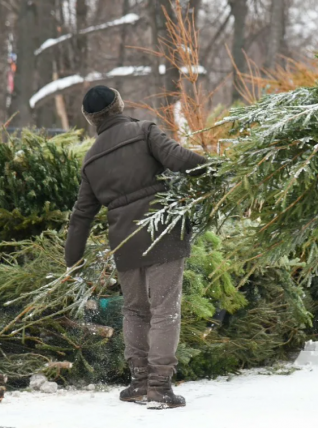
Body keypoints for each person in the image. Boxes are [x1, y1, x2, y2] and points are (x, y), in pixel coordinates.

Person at [64, 85, 206, 408]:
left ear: (90, 119)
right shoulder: (144, 132)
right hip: (162, 232)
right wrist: (213, 169)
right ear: (119, 105)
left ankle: (139, 381)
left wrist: (71, 260)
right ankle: (160, 387)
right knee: (164, 309)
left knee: (135, 310)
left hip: (125, 244)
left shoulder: (91, 160)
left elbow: (80, 217)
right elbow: (179, 159)